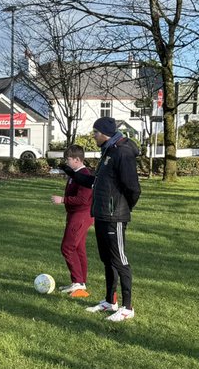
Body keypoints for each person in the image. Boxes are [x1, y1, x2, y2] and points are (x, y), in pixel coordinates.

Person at [62, 117, 141, 322]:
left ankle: (127, 307)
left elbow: (133, 188)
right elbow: (95, 182)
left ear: (104, 133)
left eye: (95, 132)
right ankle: (109, 301)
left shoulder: (122, 153)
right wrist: (70, 171)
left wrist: (122, 208)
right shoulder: (108, 151)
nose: (93, 136)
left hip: (115, 216)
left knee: (120, 261)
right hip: (102, 214)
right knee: (107, 260)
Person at [51, 143, 93, 298]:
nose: (66, 162)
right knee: (79, 248)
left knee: (67, 248)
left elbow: (83, 199)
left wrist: (62, 200)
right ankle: (80, 283)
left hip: (81, 216)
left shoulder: (85, 176)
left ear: (77, 159)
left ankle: (78, 283)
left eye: (68, 159)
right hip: (75, 215)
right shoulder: (75, 174)